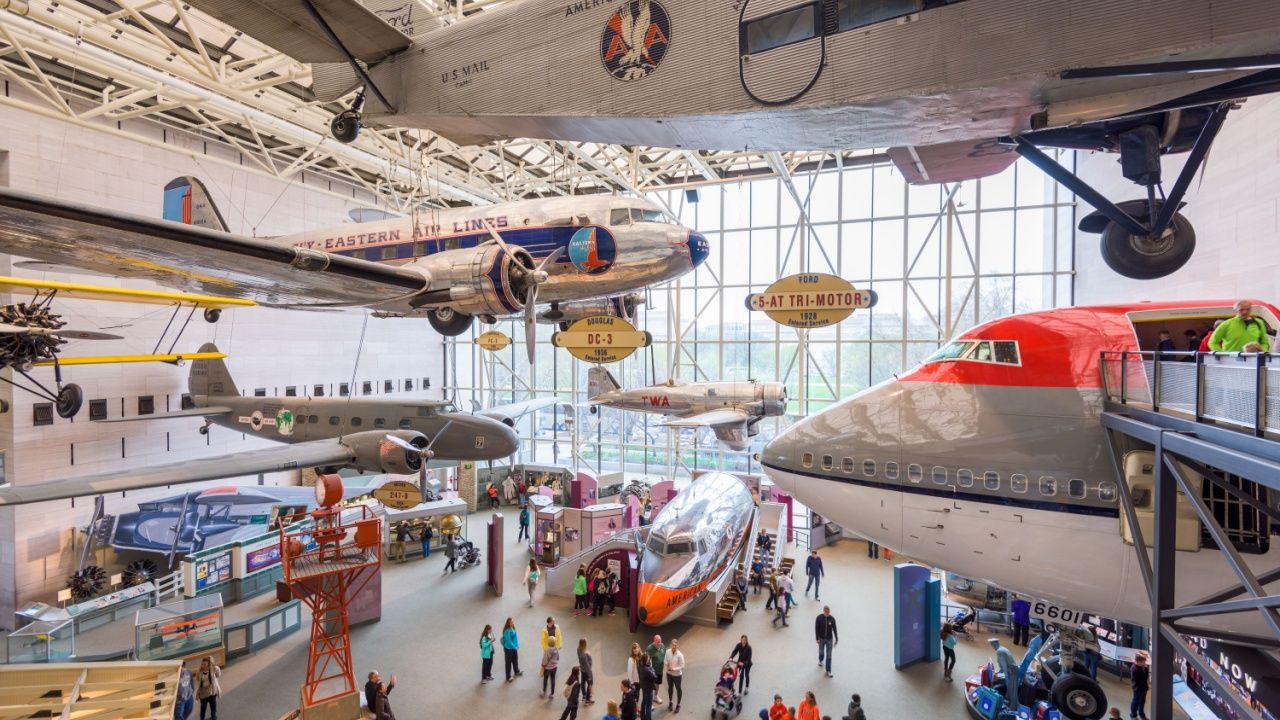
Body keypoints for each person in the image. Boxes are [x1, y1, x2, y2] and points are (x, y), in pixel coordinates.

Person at [815, 605, 838, 677]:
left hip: (829, 639)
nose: (826, 612)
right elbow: (816, 628)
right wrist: (817, 638)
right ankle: (821, 660)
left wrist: (836, 638)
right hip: (821, 639)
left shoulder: (832, 619)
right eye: (825, 611)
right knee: (821, 651)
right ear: (823, 610)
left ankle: (828, 670)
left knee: (829, 655)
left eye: (828, 611)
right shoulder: (819, 618)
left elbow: (834, 629)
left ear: (829, 611)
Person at [664, 637, 685, 713]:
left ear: (677, 646)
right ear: (670, 645)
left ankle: (678, 704)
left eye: (675, 645)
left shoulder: (680, 655)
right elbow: (665, 660)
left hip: (677, 675)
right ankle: (670, 702)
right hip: (669, 674)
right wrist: (667, 664)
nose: (674, 646)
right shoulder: (667, 652)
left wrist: (674, 669)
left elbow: (682, 666)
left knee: (678, 689)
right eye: (673, 645)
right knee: (670, 688)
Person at [645, 634, 667, 706]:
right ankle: (650, 701)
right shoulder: (649, 648)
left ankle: (655, 696)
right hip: (652, 671)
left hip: (660, 670)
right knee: (651, 685)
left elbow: (665, 656)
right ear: (654, 641)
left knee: (657, 684)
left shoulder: (663, 646)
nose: (659, 643)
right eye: (657, 642)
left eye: (660, 641)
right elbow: (646, 660)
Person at [501, 617, 523, 682]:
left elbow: (515, 638)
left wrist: (517, 645)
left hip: (514, 648)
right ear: (508, 623)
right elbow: (509, 641)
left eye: (513, 622)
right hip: (509, 649)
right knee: (508, 662)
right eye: (511, 622)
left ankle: (516, 671)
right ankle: (508, 676)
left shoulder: (512, 628)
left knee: (515, 660)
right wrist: (514, 647)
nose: (512, 623)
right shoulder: (507, 631)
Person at [1129, 653, 1150, 720]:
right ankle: (1133, 715)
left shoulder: (1144, 667)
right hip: (1138, 688)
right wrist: (1145, 669)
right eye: (1143, 661)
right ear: (1138, 662)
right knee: (1136, 702)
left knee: (1142, 702)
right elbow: (1139, 679)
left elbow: (1146, 677)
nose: (1145, 663)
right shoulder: (1134, 669)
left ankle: (1141, 715)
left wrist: (1145, 669)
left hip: (1144, 688)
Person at [637, 655, 658, 720]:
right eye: (648, 659)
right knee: (648, 705)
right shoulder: (647, 669)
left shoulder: (640, 666)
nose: (649, 659)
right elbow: (655, 677)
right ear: (646, 660)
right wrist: (652, 669)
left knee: (644, 702)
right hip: (648, 689)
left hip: (644, 687)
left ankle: (643, 717)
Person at [577, 638, 594, 705]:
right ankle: (587, 699)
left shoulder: (578, 650)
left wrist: (586, 653)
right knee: (590, 684)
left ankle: (584, 695)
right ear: (584, 644)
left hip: (582, 670)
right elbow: (587, 667)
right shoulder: (584, 656)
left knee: (583, 682)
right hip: (587, 672)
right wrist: (590, 676)